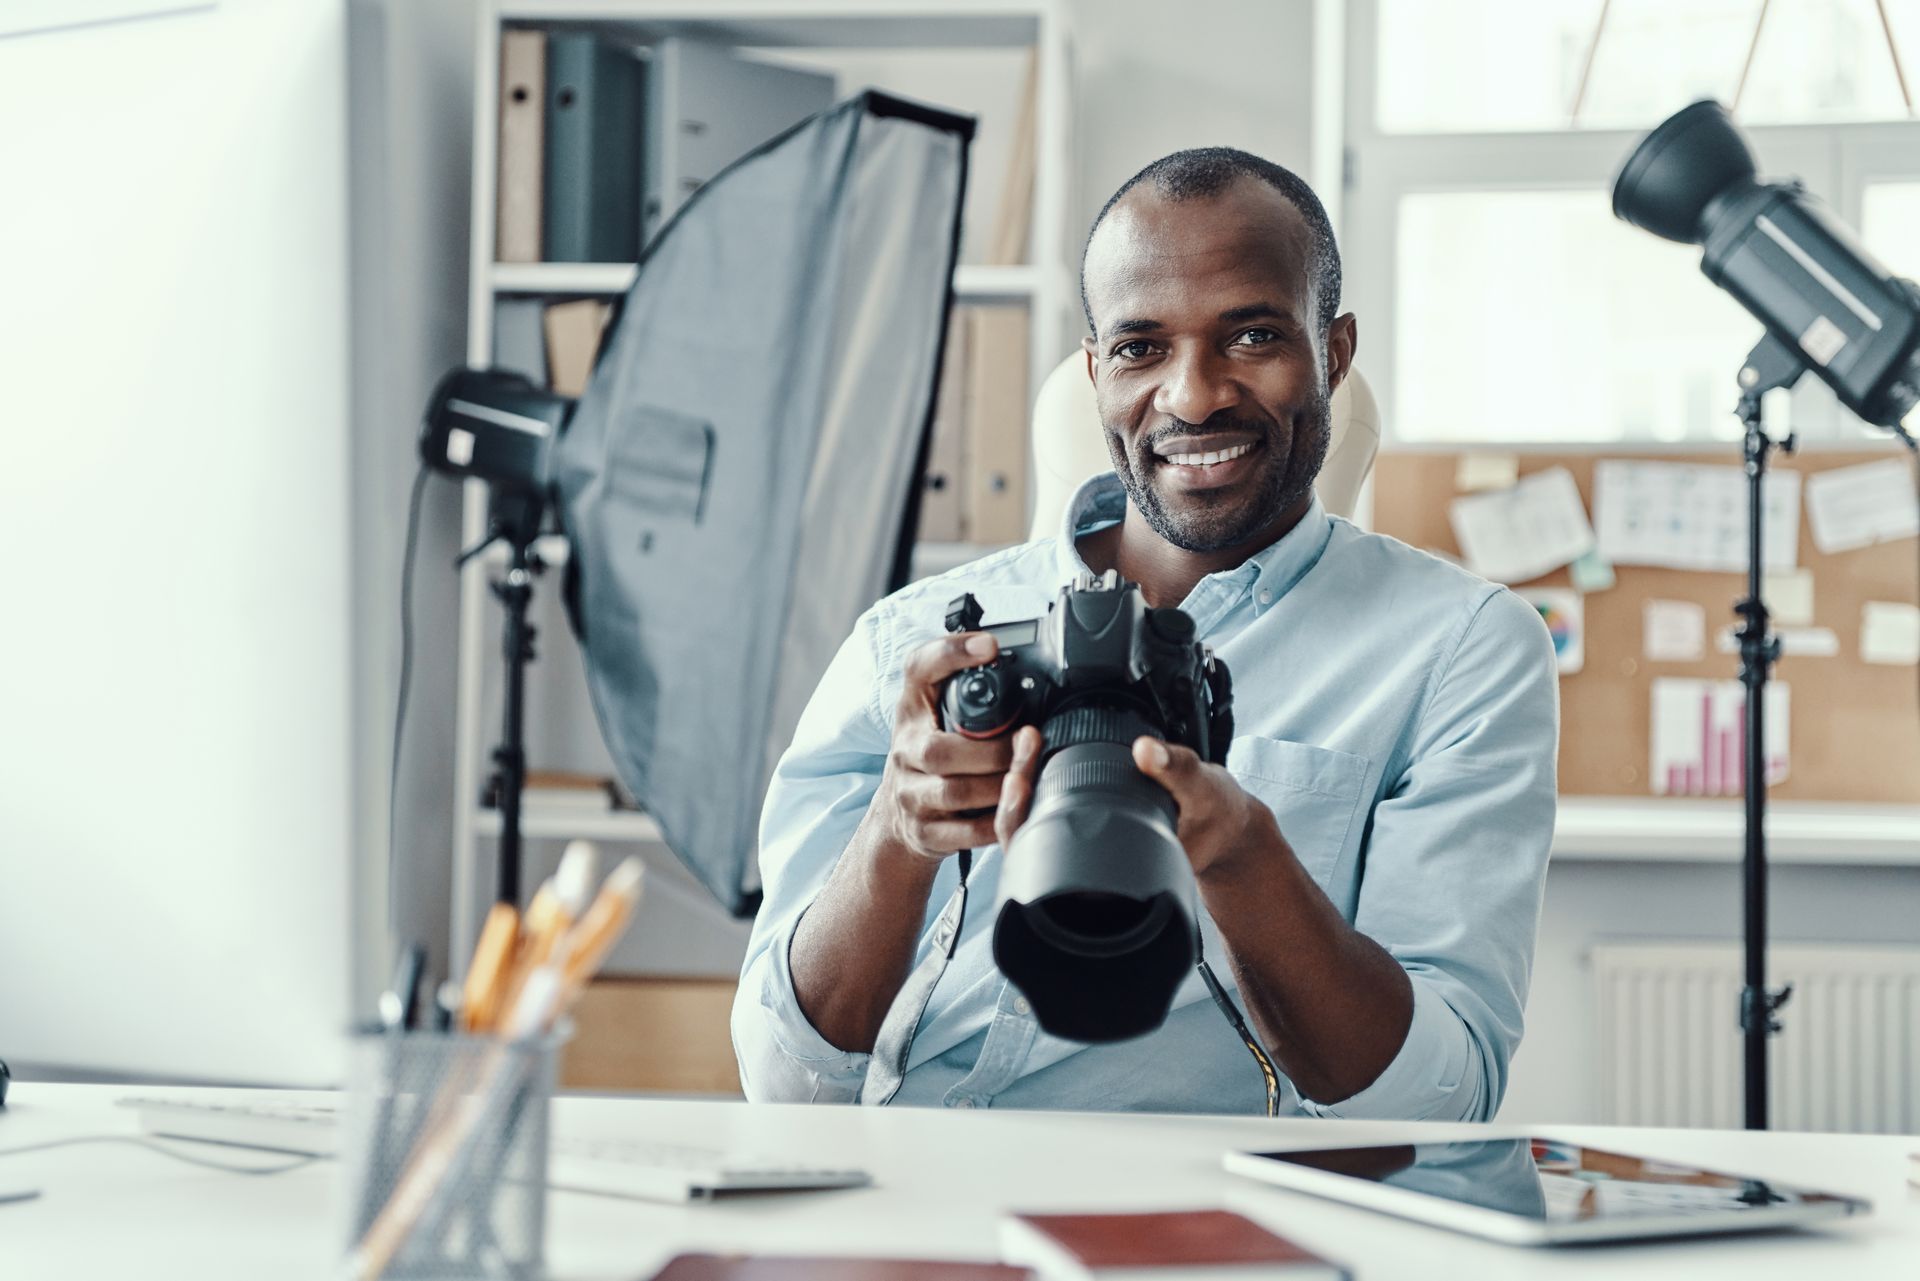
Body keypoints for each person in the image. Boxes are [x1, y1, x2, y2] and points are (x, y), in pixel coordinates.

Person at [731, 147, 1559, 1119]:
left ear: (1333, 354)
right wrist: (896, 833)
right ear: (1095, 373)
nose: (1194, 394)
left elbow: (1438, 1105)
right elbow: (785, 1087)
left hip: (1235, 1220)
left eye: (1251, 336)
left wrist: (1245, 858)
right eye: (1140, 348)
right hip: (929, 1199)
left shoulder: (1458, 652)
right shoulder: (914, 644)